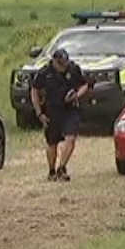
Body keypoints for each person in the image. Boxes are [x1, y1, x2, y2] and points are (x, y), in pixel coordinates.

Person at [30, 48, 89, 182]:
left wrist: (76, 96)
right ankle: (51, 171)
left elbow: (84, 85)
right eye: (61, 64)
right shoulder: (44, 73)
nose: (64, 67)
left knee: (71, 137)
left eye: (65, 64)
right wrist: (39, 113)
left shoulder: (73, 69)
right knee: (52, 142)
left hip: (70, 109)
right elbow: (34, 91)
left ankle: (62, 168)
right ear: (55, 61)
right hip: (52, 110)